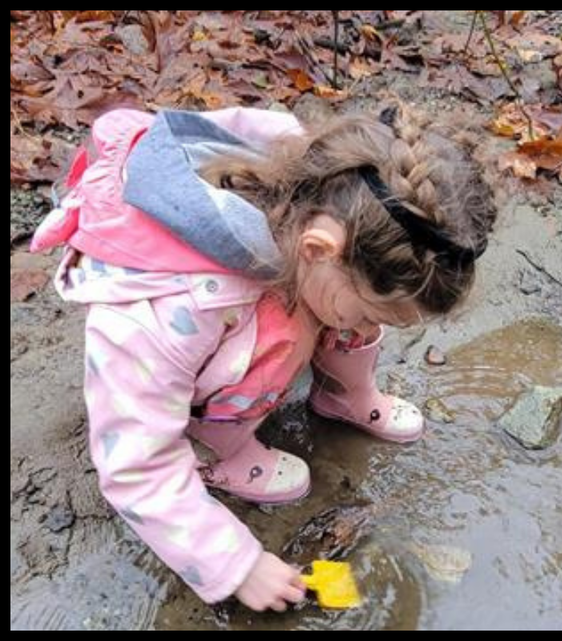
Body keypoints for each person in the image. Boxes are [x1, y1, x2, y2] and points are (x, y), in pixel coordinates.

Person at [30, 101, 496, 612]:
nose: (370, 329)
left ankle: (345, 396)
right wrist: (236, 563)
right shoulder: (161, 312)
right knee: (309, 317)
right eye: (372, 313)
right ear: (318, 248)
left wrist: (357, 313)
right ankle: (217, 450)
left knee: (337, 305)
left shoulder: (337, 196)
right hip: (193, 324)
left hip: (282, 285)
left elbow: (350, 296)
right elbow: (134, 463)